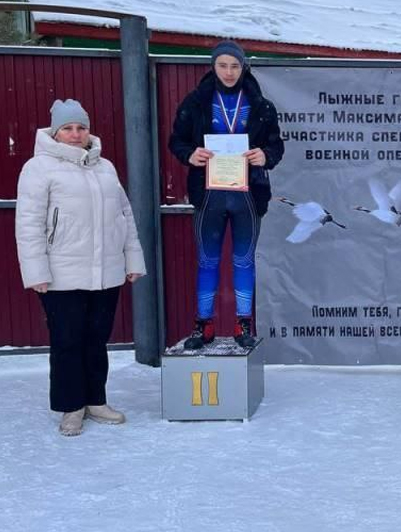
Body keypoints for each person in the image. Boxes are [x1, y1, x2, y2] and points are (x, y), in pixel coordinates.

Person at [15, 99, 146, 436]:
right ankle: (71, 406)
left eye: (81, 127)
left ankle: (96, 399)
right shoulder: (38, 168)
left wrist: (132, 260)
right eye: (68, 128)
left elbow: (125, 216)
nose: (75, 134)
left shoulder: (105, 167)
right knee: (67, 341)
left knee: (96, 338)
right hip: (61, 273)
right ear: (55, 132)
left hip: (107, 271)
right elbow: (28, 224)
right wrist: (37, 272)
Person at [169, 40, 284, 350]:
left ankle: (242, 323)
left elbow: (276, 146)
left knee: (243, 260)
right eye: (223, 65)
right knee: (208, 261)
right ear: (213, 66)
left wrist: (265, 156)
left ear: (243, 67)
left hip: (248, 194)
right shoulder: (195, 103)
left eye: (235, 66)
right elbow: (176, 141)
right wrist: (190, 154)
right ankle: (203, 325)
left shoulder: (261, 105)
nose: (229, 72)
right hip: (210, 195)